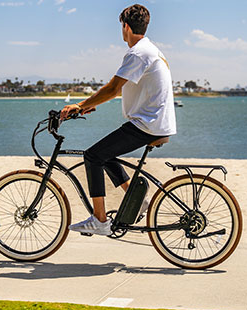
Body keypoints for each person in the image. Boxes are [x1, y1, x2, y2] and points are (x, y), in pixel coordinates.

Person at [60, 4, 176, 236]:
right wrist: (87, 107)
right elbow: (124, 90)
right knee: (106, 154)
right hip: (154, 122)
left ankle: (100, 220)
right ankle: (137, 198)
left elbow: (113, 89)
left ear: (125, 27)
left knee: (92, 156)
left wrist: (79, 105)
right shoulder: (151, 50)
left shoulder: (138, 53)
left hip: (147, 124)